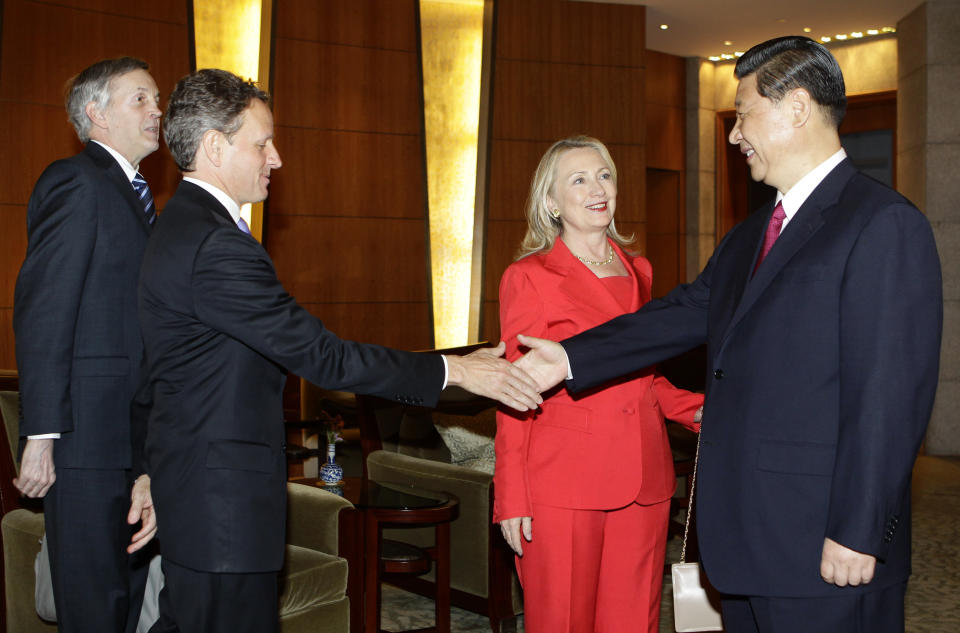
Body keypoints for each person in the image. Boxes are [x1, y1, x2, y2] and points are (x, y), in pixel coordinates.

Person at [513, 36, 942, 633]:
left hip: (826, 547)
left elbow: (889, 399)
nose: (736, 134)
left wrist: (858, 531)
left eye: (744, 114)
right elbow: (683, 313)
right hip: (746, 548)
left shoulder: (882, 224)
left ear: (795, 108)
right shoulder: (753, 233)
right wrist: (568, 356)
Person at [137, 68, 541, 633]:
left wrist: (154, 473)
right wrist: (456, 371)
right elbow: (324, 357)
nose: (275, 158)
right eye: (262, 143)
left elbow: (167, 376)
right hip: (220, 510)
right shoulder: (216, 246)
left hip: (196, 493)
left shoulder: (179, 226)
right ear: (213, 146)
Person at [494, 136, 704, 633]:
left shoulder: (640, 271)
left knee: (635, 621)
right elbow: (514, 390)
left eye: (605, 175)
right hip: (563, 485)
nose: (597, 189)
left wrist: (700, 410)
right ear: (551, 201)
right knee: (563, 621)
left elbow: (644, 374)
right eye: (579, 179)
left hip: (645, 479)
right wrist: (512, 497)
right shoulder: (529, 277)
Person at [13, 57, 161, 633]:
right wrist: (42, 435)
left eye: (157, 99)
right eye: (141, 99)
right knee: (93, 609)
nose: (157, 111)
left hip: (129, 443)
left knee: (123, 604)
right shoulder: (75, 180)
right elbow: (45, 310)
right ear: (96, 112)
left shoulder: (136, 197)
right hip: (82, 443)